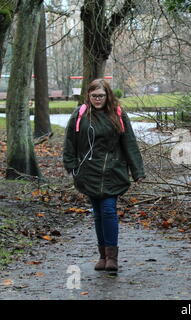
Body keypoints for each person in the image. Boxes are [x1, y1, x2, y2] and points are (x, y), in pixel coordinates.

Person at [63, 79, 145, 272]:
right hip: (88, 172)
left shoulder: (118, 114)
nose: (98, 99)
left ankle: (112, 258)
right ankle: (102, 256)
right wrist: (71, 166)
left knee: (108, 210)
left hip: (113, 171)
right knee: (98, 214)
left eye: (101, 95)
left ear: (108, 95)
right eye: (94, 96)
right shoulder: (80, 114)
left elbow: (129, 143)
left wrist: (137, 171)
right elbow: (69, 142)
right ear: (88, 96)